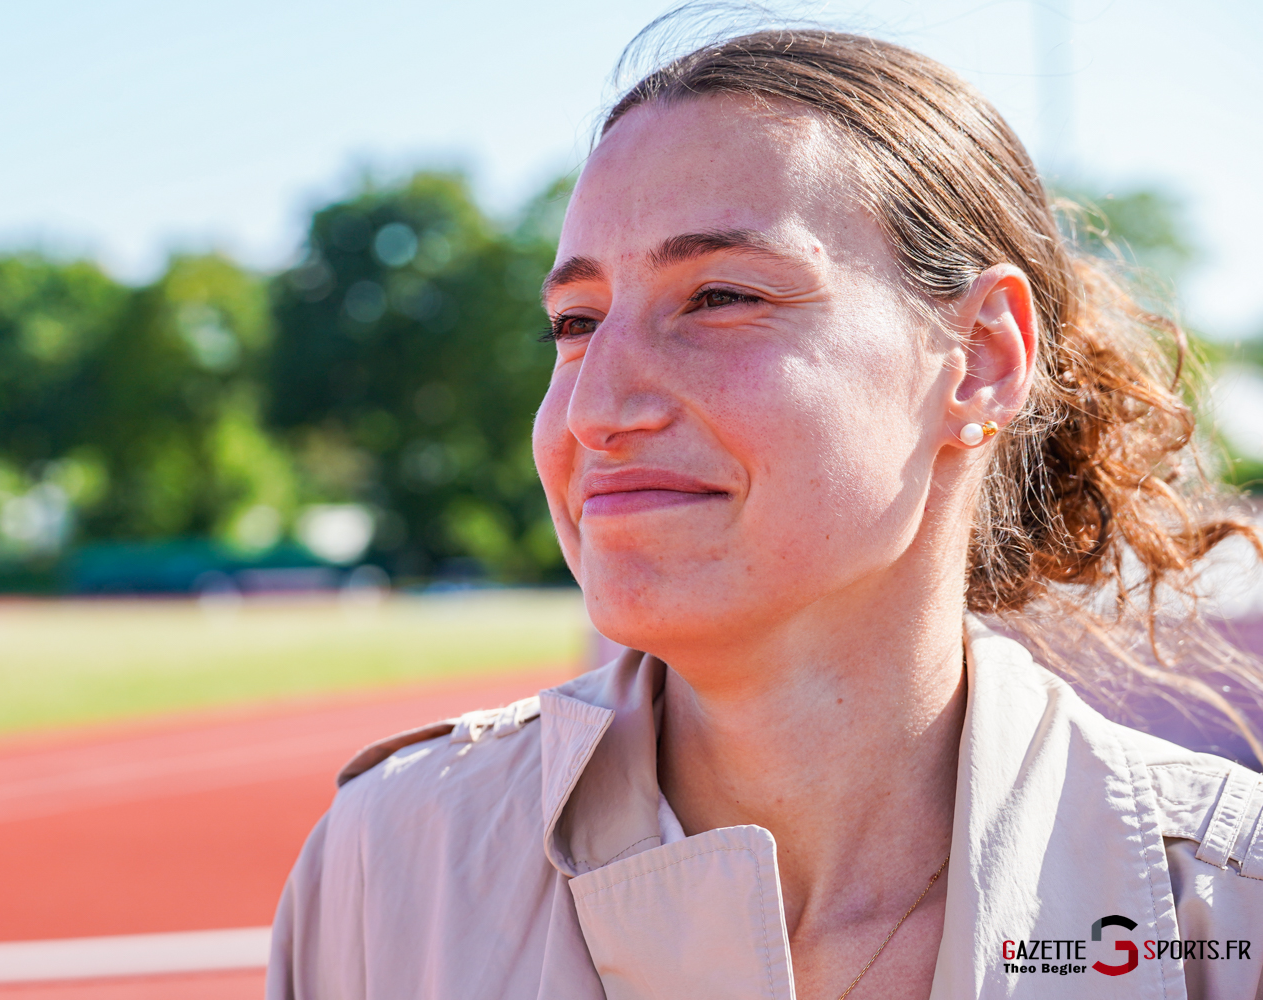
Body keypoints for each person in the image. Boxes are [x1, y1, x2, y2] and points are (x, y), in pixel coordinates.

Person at [267, 23, 1263, 1000]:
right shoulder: (387, 865)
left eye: (721, 296)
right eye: (574, 323)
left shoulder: (1228, 910)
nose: (596, 409)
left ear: (984, 357)